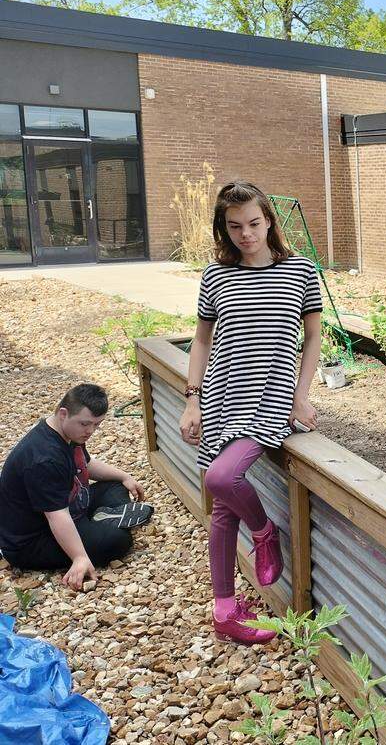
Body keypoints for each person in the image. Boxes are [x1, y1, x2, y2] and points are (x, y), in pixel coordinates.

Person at [179, 180, 323, 645]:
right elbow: (202, 340)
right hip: (221, 395)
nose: (246, 234)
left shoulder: (300, 270)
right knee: (222, 508)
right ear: (224, 227)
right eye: (235, 226)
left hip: (271, 398)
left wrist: (302, 395)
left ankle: (262, 533)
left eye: (254, 223)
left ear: (269, 222)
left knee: (221, 479)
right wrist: (192, 399)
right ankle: (224, 611)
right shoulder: (215, 276)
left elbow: (313, 338)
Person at [0, 384, 152, 590]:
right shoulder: (44, 459)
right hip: (33, 540)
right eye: (85, 424)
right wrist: (79, 557)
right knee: (118, 542)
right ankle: (101, 522)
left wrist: (125, 476)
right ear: (63, 413)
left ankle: (100, 520)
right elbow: (56, 516)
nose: (90, 431)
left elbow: (86, 464)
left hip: (69, 506)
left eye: (97, 425)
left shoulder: (68, 432)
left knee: (115, 485)